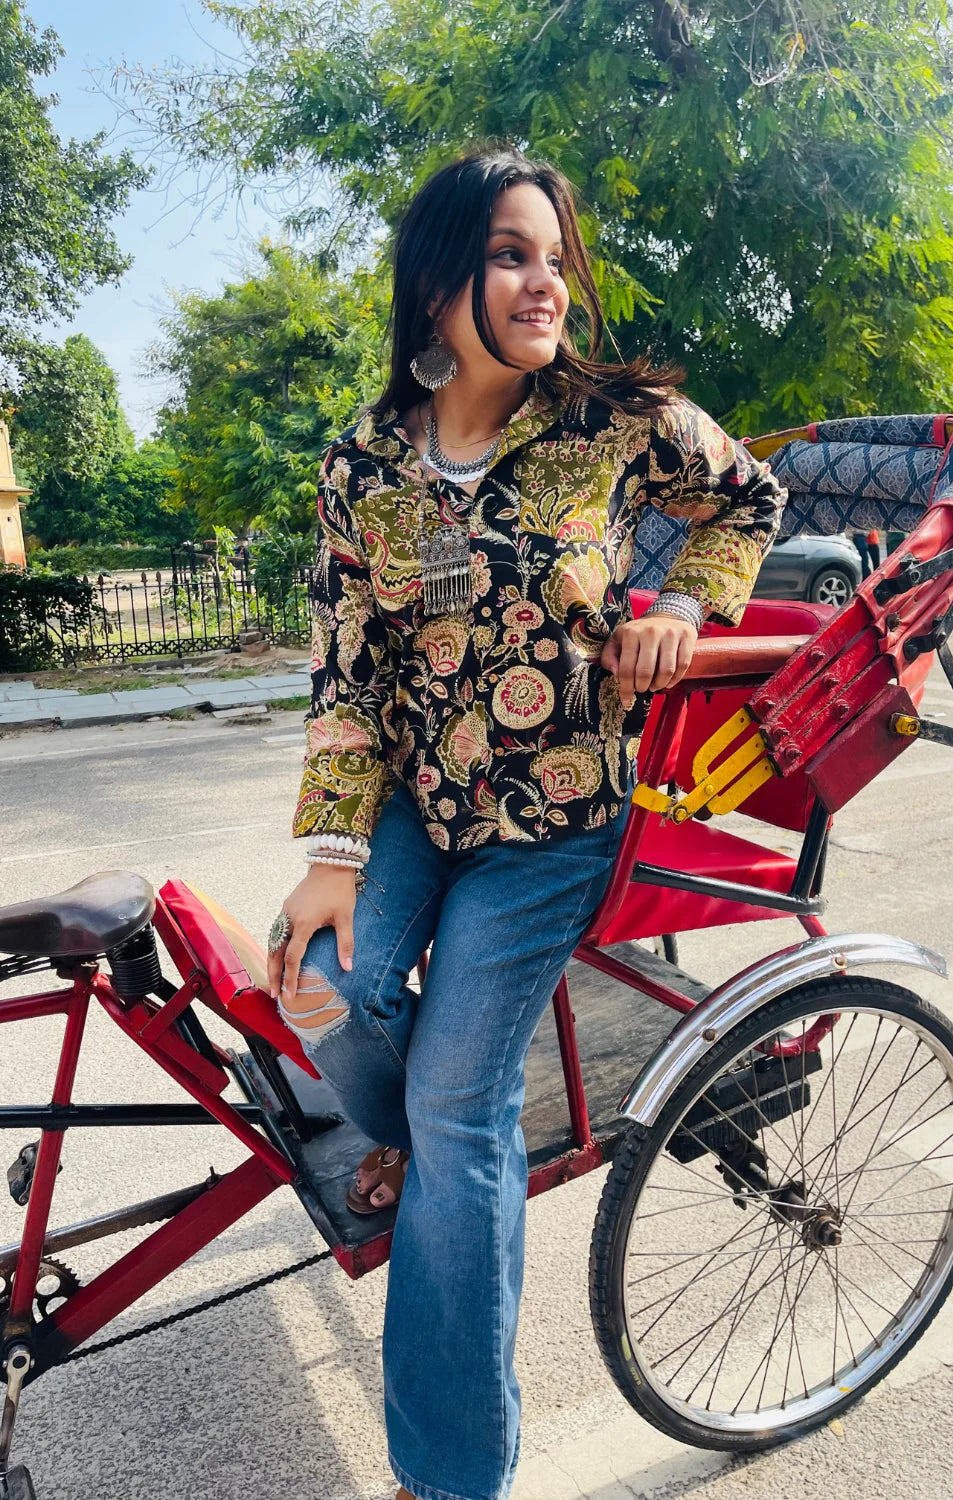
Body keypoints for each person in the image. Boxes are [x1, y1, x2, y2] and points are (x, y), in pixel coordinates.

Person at [266, 146, 785, 1500]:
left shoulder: (618, 422)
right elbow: (342, 668)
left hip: (555, 826)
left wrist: (683, 610)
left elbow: (749, 503)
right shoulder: (365, 462)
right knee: (319, 988)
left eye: (554, 255)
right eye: (510, 252)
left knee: (459, 1102)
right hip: (412, 810)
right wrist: (330, 855)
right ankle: (399, 1138)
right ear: (438, 278)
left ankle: (452, 1477)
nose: (544, 280)